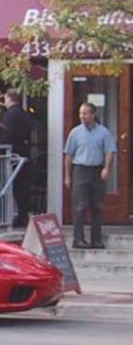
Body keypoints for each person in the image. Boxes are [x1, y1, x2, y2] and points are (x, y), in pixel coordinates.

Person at [64, 102, 116, 249]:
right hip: (80, 170)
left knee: (97, 206)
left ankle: (96, 239)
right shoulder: (75, 132)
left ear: (93, 114)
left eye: (86, 113)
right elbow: (68, 154)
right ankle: (78, 239)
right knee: (79, 206)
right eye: (81, 114)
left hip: (96, 170)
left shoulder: (103, 132)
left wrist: (106, 168)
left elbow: (109, 151)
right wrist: (67, 176)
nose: (83, 117)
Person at [0, 88, 32, 227]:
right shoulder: (25, 114)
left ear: (9, 98)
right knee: (22, 186)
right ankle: (23, 214)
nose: (4, 102)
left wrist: (0, 143)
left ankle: (12, 216)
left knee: (11, 186)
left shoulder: (10, 115)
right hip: (24, 153)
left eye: (5, 99)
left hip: (13, 155)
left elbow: (7, 135)